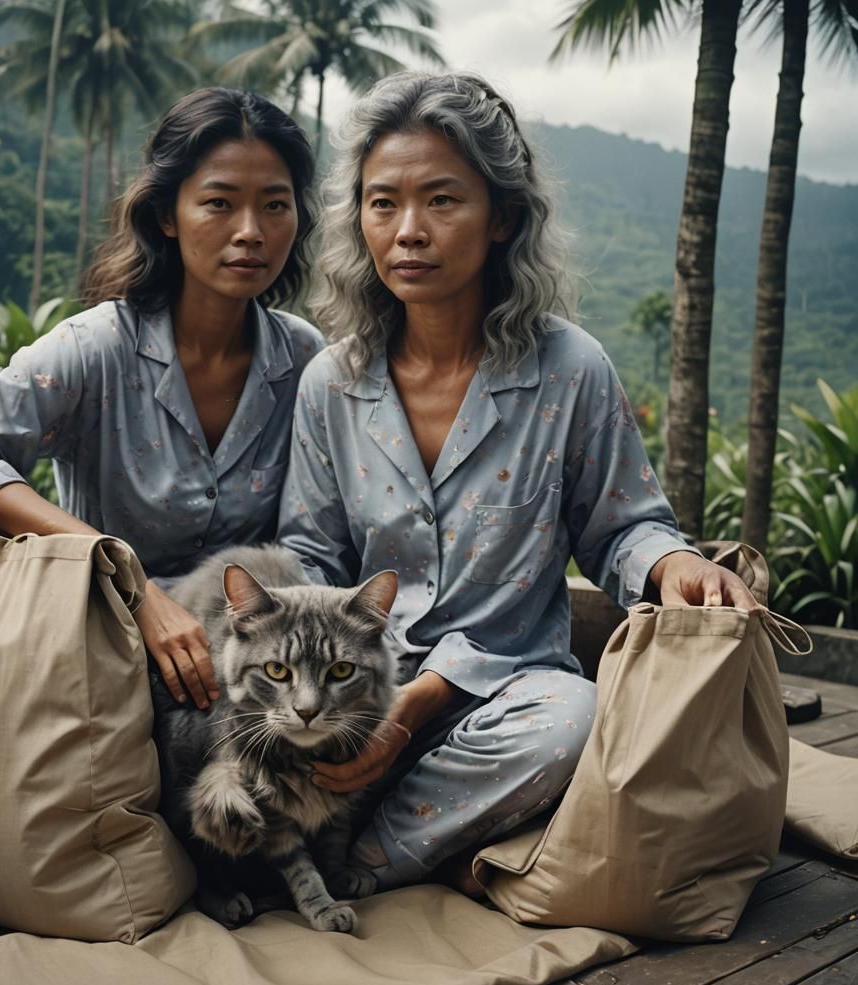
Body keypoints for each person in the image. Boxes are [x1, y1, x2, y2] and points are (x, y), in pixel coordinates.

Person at [276, 71, 758, 893]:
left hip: (504, 695)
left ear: (501, 216)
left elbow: (622, 526)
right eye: (382, 202)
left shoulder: (570, 370)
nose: (409, 232)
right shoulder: (333, 381)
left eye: (442, 200)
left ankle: (363, 858)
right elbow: (309, 557)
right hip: (362, 688)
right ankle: (406, 829)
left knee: (571, 723)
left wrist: (674, 564)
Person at [0, 87, 322, 712]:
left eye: (274, 206)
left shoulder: (303, 358)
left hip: (262, 682)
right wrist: (125, 574)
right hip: (107, 660)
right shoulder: (98, 349)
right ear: (168, 215)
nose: (250, 232)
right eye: (219, 203)